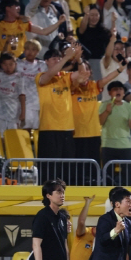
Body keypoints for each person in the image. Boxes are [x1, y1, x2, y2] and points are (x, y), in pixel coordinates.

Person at [35, 46, 89, 182]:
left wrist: (79, 59)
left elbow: (83, 74)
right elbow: (48, 76)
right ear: (46, 61)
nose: (57, 60)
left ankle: (64, 192)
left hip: (67, 128)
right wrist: (66, 57)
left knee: (67, 168)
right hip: (49, 128)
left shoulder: (66, 76)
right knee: (49, 169)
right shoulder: (40, 76)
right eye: (54, 59)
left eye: (59, 58)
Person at [0, 0, 65, 58]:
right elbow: (1, 52)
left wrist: (59, 22)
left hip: (23, 60)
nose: (19, 8)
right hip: (8, 62)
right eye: (16, 6)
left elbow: (44, 31)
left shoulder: (23, 23)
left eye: (19, 6)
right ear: (7, 8)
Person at [99, 81, 131, 176]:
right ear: (109, 93)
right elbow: (101, 122)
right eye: (115, 89)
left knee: (128, 176)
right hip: (108, 144)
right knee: (108, 176)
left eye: (121, 89)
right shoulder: (105, 105)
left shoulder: (128, 106)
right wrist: (107, 112)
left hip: (125, 145)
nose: (118, 91)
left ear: (124, 93)